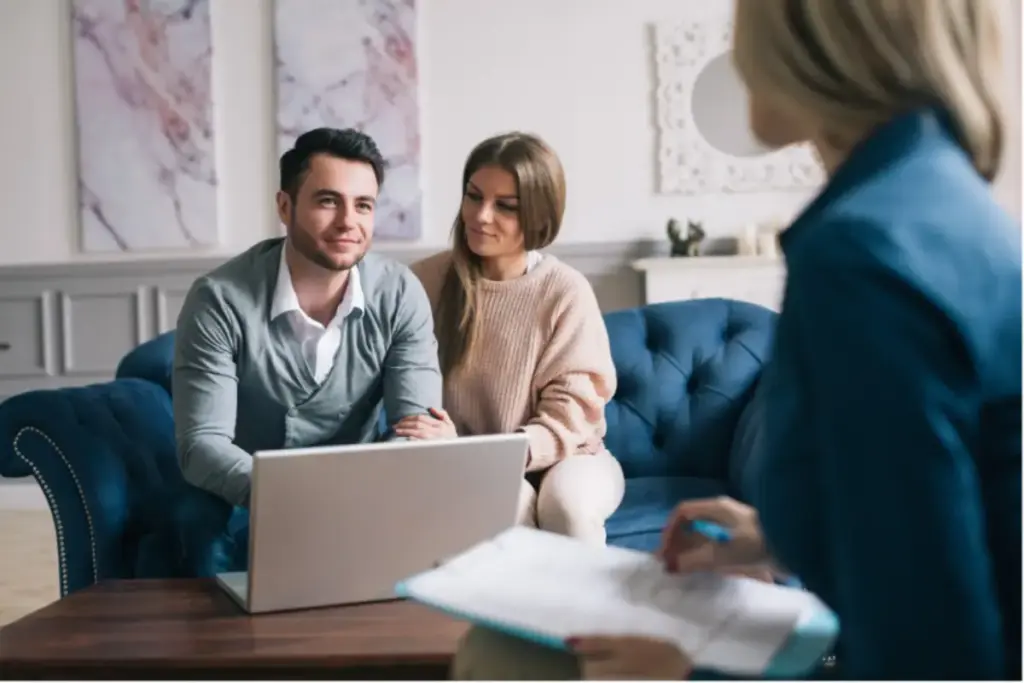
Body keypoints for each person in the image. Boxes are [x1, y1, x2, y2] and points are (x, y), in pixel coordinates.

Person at [451, 0, 1022, 679]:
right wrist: (776, 539)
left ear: (810, 41)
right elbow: (934, 526)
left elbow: (931, 639)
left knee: (494, 655)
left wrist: (682, 673)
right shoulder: (935, 200)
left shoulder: (861, 253)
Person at [172, 127, 442, 508]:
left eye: (363, 204)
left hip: (362, 498)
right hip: (246, 499)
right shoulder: (218, 300)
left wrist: (358, 493)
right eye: (328, 201)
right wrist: (293, 498)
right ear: (285, 207)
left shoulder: (400, 293)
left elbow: (417, 428)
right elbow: (202, 445)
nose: (348, 221)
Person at [399, 132, 625, 546]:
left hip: (572, 456)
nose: (481, 215)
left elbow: (570, 417)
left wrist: (493, 454)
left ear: (539, 217)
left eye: (505, 206)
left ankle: (587, 611)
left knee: (568, 508)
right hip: (466, 461)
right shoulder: (424, 282)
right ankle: (521, 612)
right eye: (474, 196)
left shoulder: (564, 290)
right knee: (507, 503)